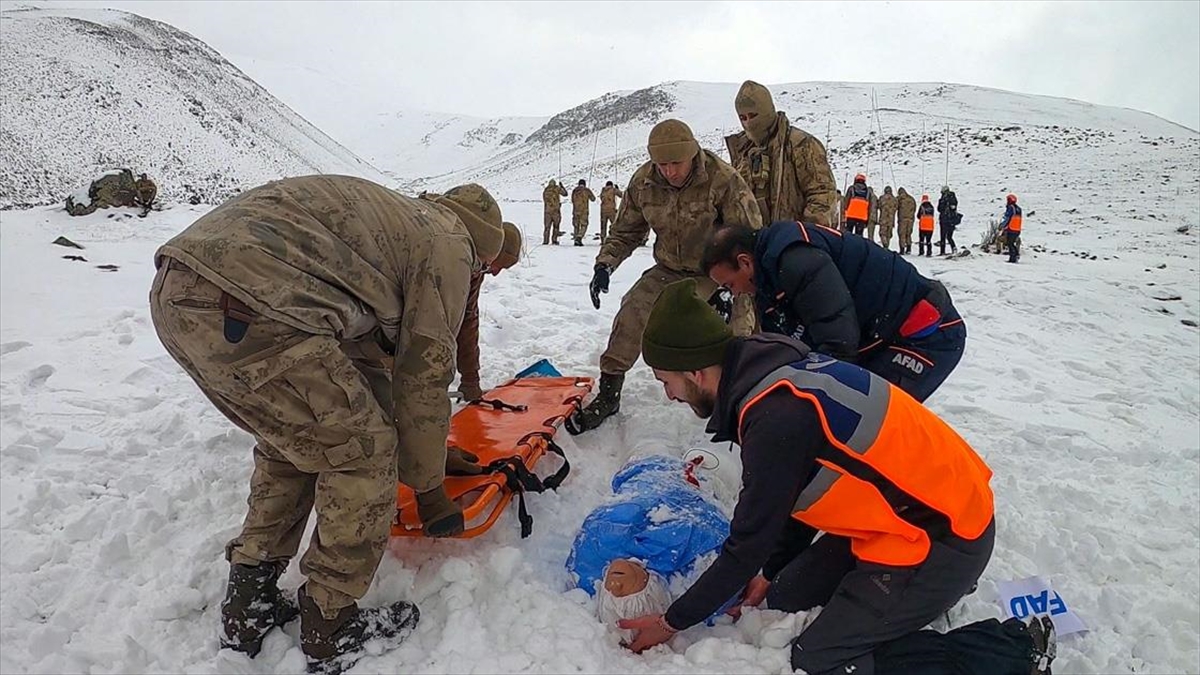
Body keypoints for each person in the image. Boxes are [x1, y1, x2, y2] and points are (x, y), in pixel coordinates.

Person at [149, 176, 502, 672]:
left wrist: (428, 452)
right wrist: (429, 489)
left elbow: (369, 373)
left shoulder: (396, 228)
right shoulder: (447, 244)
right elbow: (423, 375)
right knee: (363, 453)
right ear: (482, 249)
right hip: (256, 303)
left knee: (295, 444)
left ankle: (250, 603)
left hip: (181, 289)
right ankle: (331, 624)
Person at [617, 279, 1057, 675]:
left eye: (665, 381)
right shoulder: (771, 370)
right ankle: (912, 600)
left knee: (822, 658)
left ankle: (1013, 649)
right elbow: (796, 488)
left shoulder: (774, 418)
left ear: (695, 372)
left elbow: (746, 544)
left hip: (945, 535)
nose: (667, 395)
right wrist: (771, 568)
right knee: (786, 594)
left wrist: (670, 621)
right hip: (905, 516)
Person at [566, 118, 762, 434]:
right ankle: (609, 393)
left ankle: (739, 402)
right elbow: (626, 231)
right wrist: (605, 264)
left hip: (715, 270)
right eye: (662, 164)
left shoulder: (723, 180)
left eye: (675, 163)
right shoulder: (644, 182)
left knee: (739, 331)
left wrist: (729, 287)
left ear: (692, 154)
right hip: (669, 270)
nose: (669, 171)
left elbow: (749, 237)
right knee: (632, 312)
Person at [701, 220, 967, 401]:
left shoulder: (795, 261)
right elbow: (784, 352)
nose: (734, 294)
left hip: (927, 334)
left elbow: (838, 342)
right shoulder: (766, 282)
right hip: (878, 337)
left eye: (729, 284)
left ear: (744, 262)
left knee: (871, 415)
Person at [568, 454, 731, 640]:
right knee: (718, 453)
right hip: (709, 479)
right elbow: (730, 560)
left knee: (651, 436)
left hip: (647, 465)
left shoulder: (594, 558)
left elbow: (611, 512)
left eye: (612, 602)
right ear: (656, 597)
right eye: (630, 606)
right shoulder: (694, 571)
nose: (616, 586)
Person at [724, 80, 837, 226]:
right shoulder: (741, 151)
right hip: (754, 241)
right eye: (743, 118)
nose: (748, 123)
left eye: (753, 115)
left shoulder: (801, 144)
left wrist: (804, 235)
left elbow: (822, 194)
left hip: (792, 241)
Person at [454, 222, 523, 401]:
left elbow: (467, 319)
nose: (495, 273)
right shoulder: (454, 257)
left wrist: (470, 377)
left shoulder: (477, 268)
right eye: (498, 265)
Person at [542, 178, 567, 245]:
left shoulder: (546, 190)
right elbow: (565, 194)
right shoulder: (557, 189)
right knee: (556, 226)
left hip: (547, 212)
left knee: (547, 227)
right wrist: (562, 186)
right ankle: (554, 240)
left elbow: (544, 200)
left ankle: (545, 241)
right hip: (556, 211)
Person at [572, 179, 597, 246]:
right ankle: (579, 237)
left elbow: (572, 200)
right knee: (584, 225)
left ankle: (576, 239)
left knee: (576, 225)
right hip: (584, 210)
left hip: (575, 210)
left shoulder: (575, 190)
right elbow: (593, 199)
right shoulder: (586, 190)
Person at [1001, 193, 1023, 263]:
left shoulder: (1011, 208)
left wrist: (1002, 225)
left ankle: (1013, 258)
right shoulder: (1018, 209)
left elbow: (1008, 218)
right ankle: (1016, 255)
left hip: (1011, 228)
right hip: (1017, 229)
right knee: (1012, 243)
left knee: (1009, 243)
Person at [938, 185, 960, 255]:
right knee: (949, 236)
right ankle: (954, 248)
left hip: (944, 220)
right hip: (951, 220)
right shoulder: (953, 198)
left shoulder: (943, 199)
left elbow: (939, 209)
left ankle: (942, 251)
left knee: (943, 236)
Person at [897, 187, 917, 255]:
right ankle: (909, 248)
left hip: (902, 219)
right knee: (908, 234)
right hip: (911, 219)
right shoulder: (912, 199)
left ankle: (902, 249)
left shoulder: (900, 198)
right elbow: (914, 209)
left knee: (902, 234)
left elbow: (895, 206)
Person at [876, 185, 897, 250]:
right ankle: (887, 245)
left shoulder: (882, 198)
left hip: (883, 219)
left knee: (882, 233)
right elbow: (896, 207)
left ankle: (884, 243)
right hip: (891, 219)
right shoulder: (895, 199)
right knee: (888, 234)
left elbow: (878, 206)